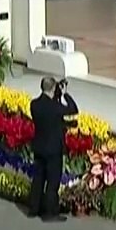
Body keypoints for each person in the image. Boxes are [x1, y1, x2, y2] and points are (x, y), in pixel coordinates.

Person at [27, 77, 76, 222]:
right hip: (53, 150)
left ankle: (33, 209)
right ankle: (50, 212)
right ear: (54, 89)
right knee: (52, 182)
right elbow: (73, 109)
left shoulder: (34, 104)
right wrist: (65, 94)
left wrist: (56, 95)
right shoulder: (55, 108)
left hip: (39, 148)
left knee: (38, 180)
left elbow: (51, 115)